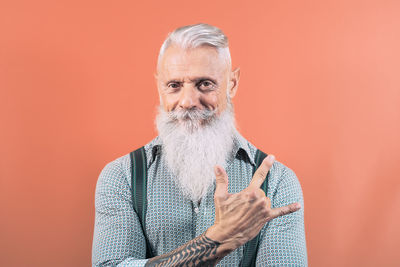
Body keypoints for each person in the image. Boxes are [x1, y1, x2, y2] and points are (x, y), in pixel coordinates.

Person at [92, 23, 307, 266]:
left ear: (232, 84)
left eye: (204, 84)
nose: (187, 101)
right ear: (159, 87)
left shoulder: (277, 182)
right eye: (174, 86)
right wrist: (216, 240)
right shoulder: (122, 176)